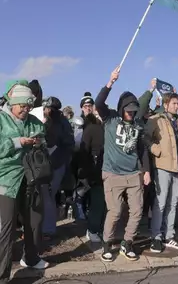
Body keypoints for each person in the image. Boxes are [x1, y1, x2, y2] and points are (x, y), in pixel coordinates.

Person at [0, 81, 49, 284]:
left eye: (29, 107)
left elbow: (44, 144)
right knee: (5, 229)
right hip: (3, 180)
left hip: (29, 180)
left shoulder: (35, 122)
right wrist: (16, 142)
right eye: (22, 106)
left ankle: (31, 257)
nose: (25, 110)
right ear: (12, 103)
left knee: (34, 222)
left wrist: (39, 143)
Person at [95, 67, 151, 262]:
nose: (130, 114)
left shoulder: (138, 125)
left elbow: (142, 149)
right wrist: (110, 82)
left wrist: (146, 171)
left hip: (134, 173)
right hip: (112, 173)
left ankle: (128, 243)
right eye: (127, 110)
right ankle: (107, 244)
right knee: (116, 211)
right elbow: (98, 102)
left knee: (137, 211)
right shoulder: (110, 118)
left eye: (133, 111)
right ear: (121, 108)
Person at [144, 92, 178, 253]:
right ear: (165, 105)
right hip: (163, 165)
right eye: (173, 103)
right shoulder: (155, 119)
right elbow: (146, 138)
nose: (176, 106)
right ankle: (156, 236)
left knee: (173, 203)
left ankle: (169, 235)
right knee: (161, 202)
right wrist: (157, 150)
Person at [41, 96, 75, 238]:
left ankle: (47, 228)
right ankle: (45, 227)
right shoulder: (63, 122)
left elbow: (65, 143)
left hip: (54, 164)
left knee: (47, 196)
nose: (46, 110)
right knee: (48, 196)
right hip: (54, 164)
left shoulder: (57, 123)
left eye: (47, 108)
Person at [75, 91, 105, 243]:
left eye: (91, 106)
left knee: (101, 202)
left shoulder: (104, 126)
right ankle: (92, 229)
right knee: (95, 200)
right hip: (92, 170)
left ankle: (98, 228)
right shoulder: (86, 126)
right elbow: (82, 150)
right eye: (86, 106)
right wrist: (84, 171)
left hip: (105, 169)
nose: (89, 108)